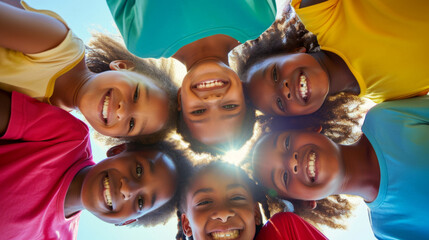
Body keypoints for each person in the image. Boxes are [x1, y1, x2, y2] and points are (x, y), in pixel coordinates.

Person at [0, 90, 192, 239]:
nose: (128, 189)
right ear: (118, 150)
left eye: (141, 202)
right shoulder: (69, 137)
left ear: (125, 222)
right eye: (138, 170)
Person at [106, 0, 277, 153]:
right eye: (229, 106)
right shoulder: (258, 17)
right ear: (244, 89)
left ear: (180, 99)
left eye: (199, 111)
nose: (212, 99)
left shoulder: (142, 41)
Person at [252, 95, 429, 239]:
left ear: (310, 128)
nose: (292, 163)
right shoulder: (387, 230)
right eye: (284, 177)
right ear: (307, 201)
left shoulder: (386, 118)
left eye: (287, 142)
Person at [0, 1, 177, 139]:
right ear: (122, 66)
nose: (122, 111)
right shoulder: (59, 45)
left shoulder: (49, 123)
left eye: (131, 124)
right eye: (137, 94)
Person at [234, 0, 429, 119]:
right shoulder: (392, 100)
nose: (284, 89)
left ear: (293, 51)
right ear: (302, 116)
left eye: (275, 74)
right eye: (280, 103)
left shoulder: (321, 12)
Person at [175, 161, 327, 240]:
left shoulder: (284, 231)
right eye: (204, 202)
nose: (223, 213)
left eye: (237, 198)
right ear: (187, 224)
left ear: (255, 213)